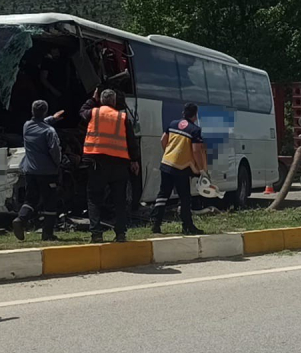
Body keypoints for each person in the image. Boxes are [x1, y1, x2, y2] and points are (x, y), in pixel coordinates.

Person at [80, 88, 140, 243]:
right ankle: (120, 233)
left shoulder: (94, 113)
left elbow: (82, 110)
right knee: (119, 200)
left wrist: (93, 99)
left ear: (101, 100)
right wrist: (134, 160)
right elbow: (131, 142)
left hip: (97, 163)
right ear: (114, 101)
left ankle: (96, 234)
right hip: (119, 164)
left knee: (94, 197)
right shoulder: (123, 117)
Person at [150, 102, 207, 235]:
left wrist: (169, 153)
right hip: (181, 168)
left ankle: (155, 225)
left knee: (163, 195)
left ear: (183, 113)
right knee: (185, 198)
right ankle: (187, 226)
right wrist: (200, 169)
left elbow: (162, 140)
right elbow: (196, 151)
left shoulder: (173, 124)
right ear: (195, 115)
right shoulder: (194, 130)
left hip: (166, 164)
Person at [13, 100, 65, 242]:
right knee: (50, 202)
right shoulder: (50, 132)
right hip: (47, 172)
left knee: (31, 199)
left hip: (30, 171)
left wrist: (53, 118)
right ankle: (47, 233)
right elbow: (55, 151)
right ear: (45, 112)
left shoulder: (26, 126)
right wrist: (58, 165)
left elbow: (39, 122)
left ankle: (20, 219)